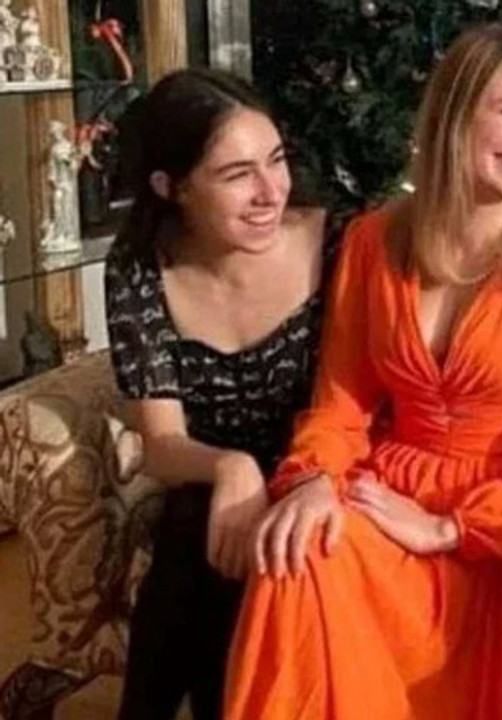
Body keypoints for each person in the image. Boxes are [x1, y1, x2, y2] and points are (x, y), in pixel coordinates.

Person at [221, 24, 502, 720]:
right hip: (384, 498)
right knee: (299, 549)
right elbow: (341, 404)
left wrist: (452, 528)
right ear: (454, 115)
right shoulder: (372, 241)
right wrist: (315, 479)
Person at [105, 67, 339, 720]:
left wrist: (298, 476)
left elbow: (365, 400)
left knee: (210, 538)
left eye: (276, 160)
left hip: (325, 471)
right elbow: (162, 442)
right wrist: (233, 467)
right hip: (211, 489)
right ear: (171, 187)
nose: (270, 192)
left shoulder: (338, 241)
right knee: (198, 520)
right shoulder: (140, 267)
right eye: (237, 174)